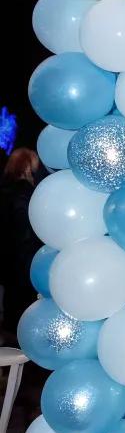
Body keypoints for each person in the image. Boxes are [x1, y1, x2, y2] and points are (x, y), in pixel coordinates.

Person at [0, 147, 40, 343]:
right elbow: (26, 230)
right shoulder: (28, 194)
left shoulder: (4, 189)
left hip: (6, 256)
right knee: (22, 304)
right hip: (23, 257)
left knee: (9, 304)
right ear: (28, 168)